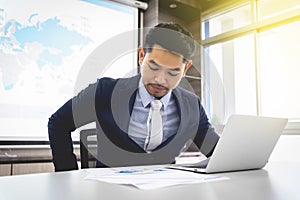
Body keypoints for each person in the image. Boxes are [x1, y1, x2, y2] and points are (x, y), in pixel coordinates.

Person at [48, 22, 219, 172]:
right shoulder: (104, 92)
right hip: (109, 193)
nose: (160, 80)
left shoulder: (191, 105)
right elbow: (58, 123)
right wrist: (68, 175)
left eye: (172, 72)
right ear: (141, 56)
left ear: (186, 69)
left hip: (164, 191)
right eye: (153, 67)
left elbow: (217, 152)